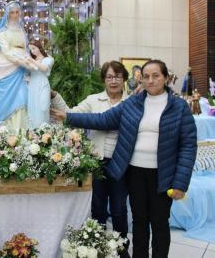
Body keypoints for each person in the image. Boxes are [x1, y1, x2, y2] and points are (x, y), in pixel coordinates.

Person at [53, 59, 197, 258]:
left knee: (160, 222)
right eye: (146, 76)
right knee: (138, 221)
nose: (151, 80)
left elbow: (188, 146)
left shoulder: (179, 107)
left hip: (163, 175)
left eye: (156, 76)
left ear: (165, 78)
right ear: (141, 80)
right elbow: (103, 120)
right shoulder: (133, 103)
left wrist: (181, 183)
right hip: (134, 172)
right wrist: (68, 118)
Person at [51, 60, 130, 258]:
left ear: (124, 80)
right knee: (98, 209)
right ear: (103, 80)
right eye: (109, 77)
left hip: (122, 162)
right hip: (97, 161)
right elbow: (71, 113)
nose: (113, 81)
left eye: (117, 76)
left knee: (120, 209)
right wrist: (54, 96)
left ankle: (121, 250)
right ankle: (99, 249)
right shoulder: (94, 100)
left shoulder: (131, 103)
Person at [0, 1, 37, 131]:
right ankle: (6, 134)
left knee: (23, 98)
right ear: (8, 15)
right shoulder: (3, 33)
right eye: (12, 12)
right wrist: (22, 61)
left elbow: (26, 49)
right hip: (7, 68)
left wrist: (28, 61)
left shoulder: (21, 31)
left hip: (21, 71)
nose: (15, 15)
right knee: (5, 103)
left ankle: (22, 133)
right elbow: (7, 52)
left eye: (17, 12)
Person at [27, 38, 54, 129]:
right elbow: (29, 73)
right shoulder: (31, 60)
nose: (32, 51)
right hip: (32, 85)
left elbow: (44, 68)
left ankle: (44, 130)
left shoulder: (48, 59)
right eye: (31, 49)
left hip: (43, 83)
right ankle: (33, 131)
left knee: (43, 107)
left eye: (34, 48)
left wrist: (31, 60)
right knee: (33, 108)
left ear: (39, 47)